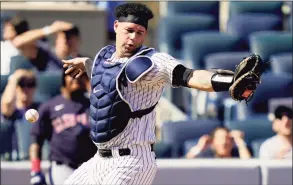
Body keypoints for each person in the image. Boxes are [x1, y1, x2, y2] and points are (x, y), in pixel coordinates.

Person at [61, 3, 258, 185]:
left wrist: (230, 81)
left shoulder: (153, 61)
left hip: (132, 162)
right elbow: (108, 77)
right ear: (115, 26)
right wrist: (87, 63)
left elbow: (190, 76)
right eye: (129, 31)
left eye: (140, 33)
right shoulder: (103, 57)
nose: (133, 37)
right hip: (98, 160)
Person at [29, 71, 97, 185]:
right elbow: (36, 142)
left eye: (81, 76)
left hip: (89, 168)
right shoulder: (49, 107)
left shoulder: (93, 105)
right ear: (63, 79)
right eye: (72, 75)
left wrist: (90, 86)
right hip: (62, 167)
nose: (77, 79)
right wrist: (35, 170)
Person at [1, 15, 73, 75]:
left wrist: (52, 29)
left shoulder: (29, 43)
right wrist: (51, 28)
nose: (4, 29)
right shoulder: (4, 45)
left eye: (8, 27)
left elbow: (18, 41)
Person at [1, 69, 39, 160]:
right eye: (22, 84)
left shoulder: (41, 108)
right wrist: (14, 79)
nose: (26, 89)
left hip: (36, 159)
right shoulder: (12, 110)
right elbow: (7, 105)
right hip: (15, 159)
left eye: (30, 84)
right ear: (16, 87)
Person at [185, 127, 251, 159]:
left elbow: (249, 166)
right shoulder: (206, 156)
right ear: (212, 142)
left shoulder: (237, 154)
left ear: (232, 142)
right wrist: (199, 147)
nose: (223, 142)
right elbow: (185, 165)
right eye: (220, 139)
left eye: (227, 139)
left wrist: (240, 142)